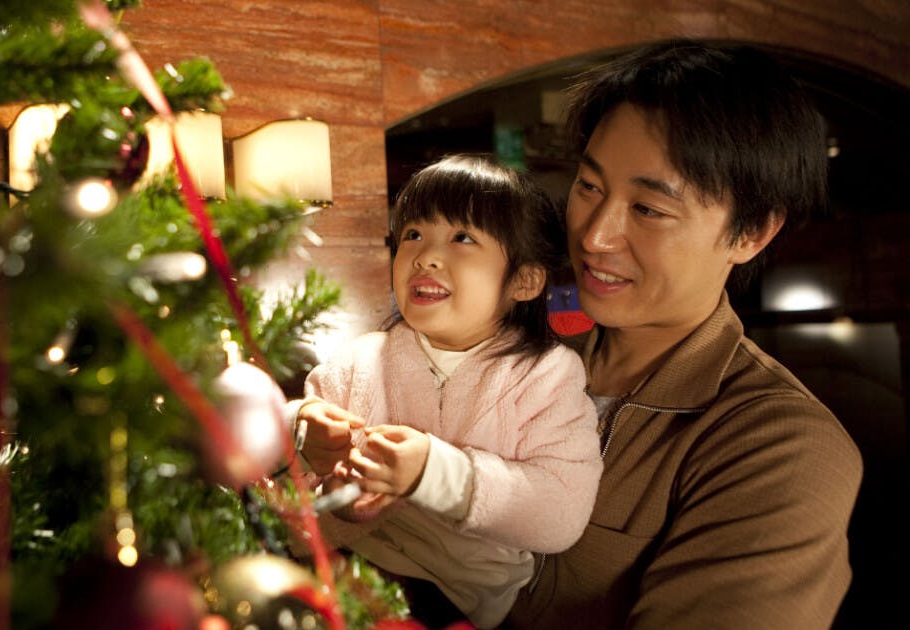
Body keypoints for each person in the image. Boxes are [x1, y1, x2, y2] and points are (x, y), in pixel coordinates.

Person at [503, 39, 863, 629]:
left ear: (752, 232)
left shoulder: (783, 446)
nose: (595, 236)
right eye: (589, 187)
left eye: (648, 209)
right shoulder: (525, 360)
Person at [290, 154, 603, 629]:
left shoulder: (547, 375)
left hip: (451, 597)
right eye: (413, 234)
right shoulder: (360, 359)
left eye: (462, 238)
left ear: (524, 280)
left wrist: (434, 474)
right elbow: (276, 471)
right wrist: (301, 435)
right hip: (333, 562)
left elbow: (562, 510)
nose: (426, 256)